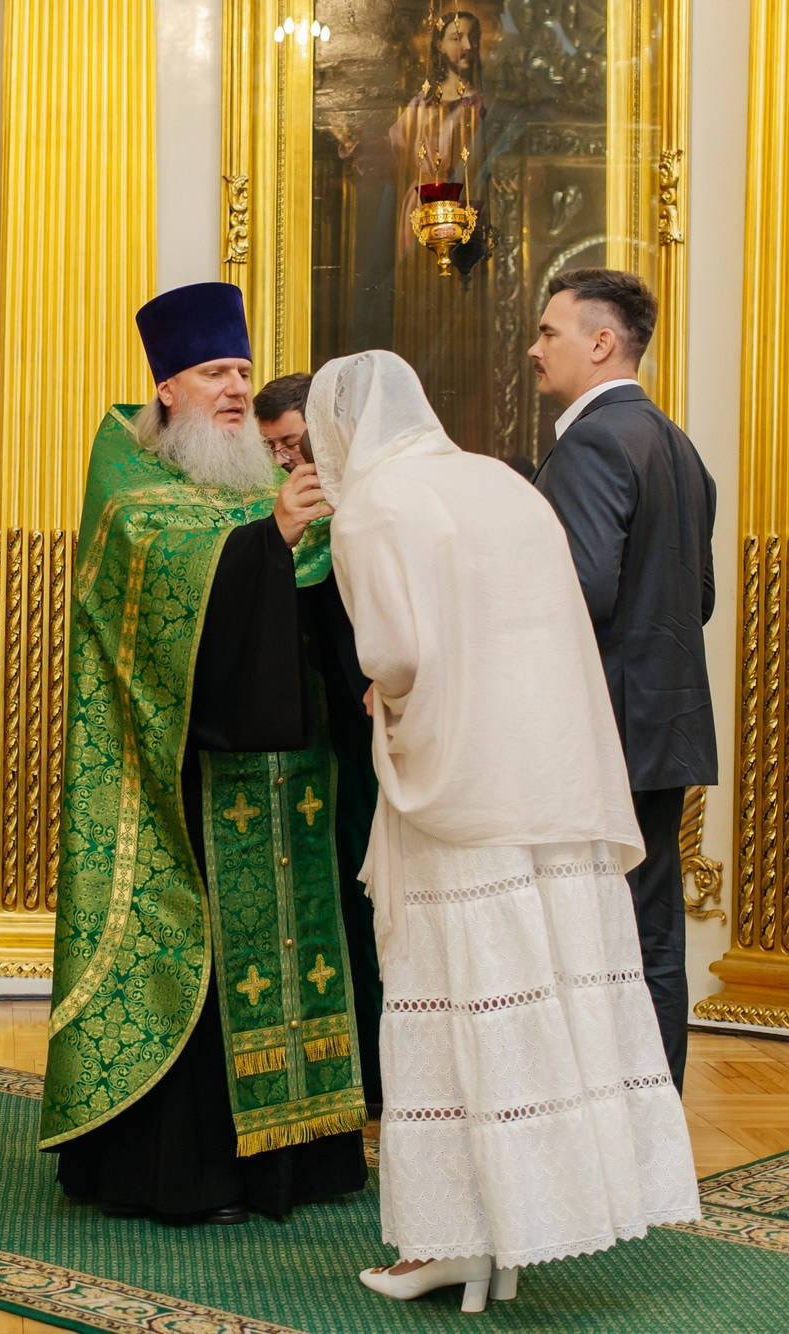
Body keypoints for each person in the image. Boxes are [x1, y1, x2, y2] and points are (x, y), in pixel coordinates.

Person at [309, 349, 700, 1307]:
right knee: (550, 989)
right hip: (555, 778)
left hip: (461, 789)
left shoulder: (369, 506)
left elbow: (395, 653)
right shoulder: (498, 480)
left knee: (454, 1002)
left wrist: (380, 693)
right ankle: (535, 1223)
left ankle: (451, 1240)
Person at [41, 283, 369, 1225]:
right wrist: (273, 539)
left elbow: (300, 579)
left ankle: (298, 1161)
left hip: (286, 776)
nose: (235, 389)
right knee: (207, 961)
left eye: (242, 371)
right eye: (215, 373)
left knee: (296, 951)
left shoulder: (246, 476)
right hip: (175, 781)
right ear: (168, 386)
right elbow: (173, 581)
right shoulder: (130, 473)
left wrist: (308, 538)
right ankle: (195, 1174)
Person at [529, 268, 718, 1091]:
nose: (535, 350)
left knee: (593, 935)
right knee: (653, 934)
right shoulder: (676, 443)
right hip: (664, 727)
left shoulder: (595, 440)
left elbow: (578, 588)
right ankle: (655, 1120)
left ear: (601, 342)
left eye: (548, 333)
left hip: (601, 731)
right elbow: (699, 597)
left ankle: (610, 1115)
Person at [255, 370, 383, 1112]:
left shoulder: (369, 492)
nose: (284, 460)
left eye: (293, 442)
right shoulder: (287, 500)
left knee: (373, 893)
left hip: (372, 723)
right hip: (319, 733)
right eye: (272, 448)